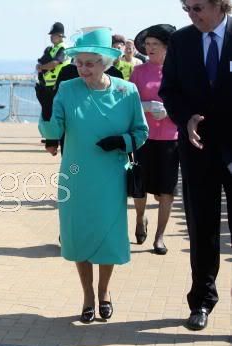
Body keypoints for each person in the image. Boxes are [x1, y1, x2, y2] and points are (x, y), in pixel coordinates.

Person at [39, 27, 148, 323]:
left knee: (108, 236)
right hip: (75, 174)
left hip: (110, 175)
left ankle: (104, 292)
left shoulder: (127, 91)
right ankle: (87, 294)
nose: (82, 69)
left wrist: (121, 142)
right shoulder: (67, 88)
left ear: (105, 63)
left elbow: (141, 132)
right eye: (79, 62)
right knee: (78, 235)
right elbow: (52, 132)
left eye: (89, 63)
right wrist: (47, 110)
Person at [159, 0, 232, 331]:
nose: (191, 14)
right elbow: (169, 91)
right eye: (187, 8)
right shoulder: (182, 40)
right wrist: (184, 117)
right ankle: (201, 301)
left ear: (221, 4)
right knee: (201, 229)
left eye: (198, 7)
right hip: (196, 148)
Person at [130, 24, 178, 255]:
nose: (149, 48)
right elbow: (128, 104)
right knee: (139, 186)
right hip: (143, 137)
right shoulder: (138, 72)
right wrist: (145, 106)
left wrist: (170, 109)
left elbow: (189, 101)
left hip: (171, 137)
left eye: (154, 45)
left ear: (167, 47)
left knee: (166, 189)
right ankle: (140, 218)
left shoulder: (179, 70)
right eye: (147, 45)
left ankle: (159, 237)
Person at [35, 22, 70, 130]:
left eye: (53, 35)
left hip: (59, 85)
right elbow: (41, 62)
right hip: (49, 85)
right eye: (51, 35)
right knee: (49, 111)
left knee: (57, 111)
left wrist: (42, 67)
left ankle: (57, 135)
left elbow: (55, 63)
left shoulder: (63, 48)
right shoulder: (52, 49)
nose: (51, 37)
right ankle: (51, 134)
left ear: (60, 36)